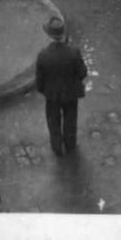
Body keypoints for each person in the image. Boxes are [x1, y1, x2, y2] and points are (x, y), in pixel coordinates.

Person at [34, 15, 88, 156]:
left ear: (50, 35)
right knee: (70, 119)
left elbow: (39, 79)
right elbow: (82, 72)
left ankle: (56, 146)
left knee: (53, 120)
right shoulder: (74, 52)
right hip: (70, 93)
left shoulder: (43, 55)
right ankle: (70, 144)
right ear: (63, 34)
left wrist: (43, 90)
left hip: (52, 95)